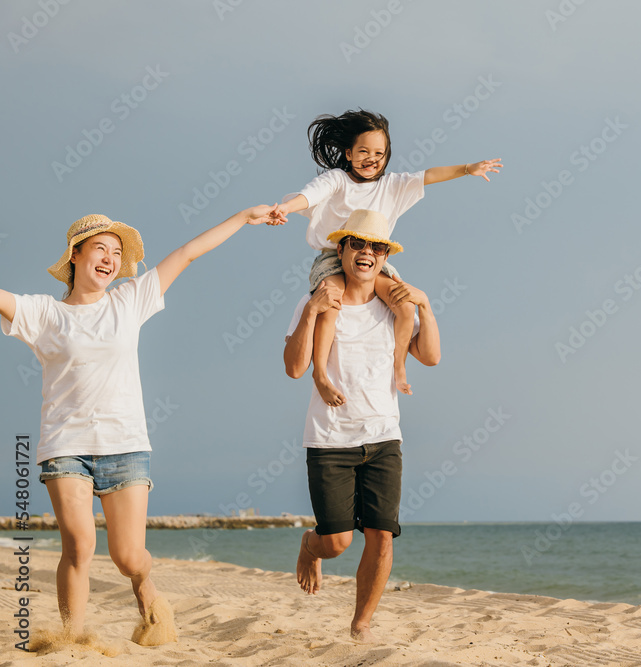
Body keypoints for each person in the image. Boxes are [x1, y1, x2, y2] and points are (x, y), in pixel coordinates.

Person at [0, 206, 274, 645]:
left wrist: (244, 217)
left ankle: (143, 583)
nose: (109, 258)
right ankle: (71, 640)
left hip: (125, 446)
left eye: (115, 252)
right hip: (65, 444)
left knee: (128, 557)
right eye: (100, 249)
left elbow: (187, 253)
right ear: (75, 255)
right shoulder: (44, 313)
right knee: (79, 545)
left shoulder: (129, 300)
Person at [283, 209, 441, 642]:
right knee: (337, 543)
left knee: (382, 536)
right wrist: (311, 312)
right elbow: (294, 368)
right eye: (358, 244)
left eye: (376, 247)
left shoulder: (394, 306)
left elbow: (429, 356)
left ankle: (361, 623)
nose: (367, 253)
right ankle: (310, 546)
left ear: (385, 255)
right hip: (330, 440)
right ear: (342, 249)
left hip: (384, 436)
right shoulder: (317, 298)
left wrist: (426, 305)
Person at [268, 108, 497, 405]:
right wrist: (284, 209)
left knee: (403, 304)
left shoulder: (392, 186)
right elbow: (310, 195)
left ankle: (399, 364)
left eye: (379, 153)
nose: (371, 159)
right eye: (363, 151)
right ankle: (321, 374)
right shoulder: (338, 180)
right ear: (348, 154)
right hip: (332, 256)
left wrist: (468, 168)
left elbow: (428, 176)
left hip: (374, 257)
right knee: (331, 302)